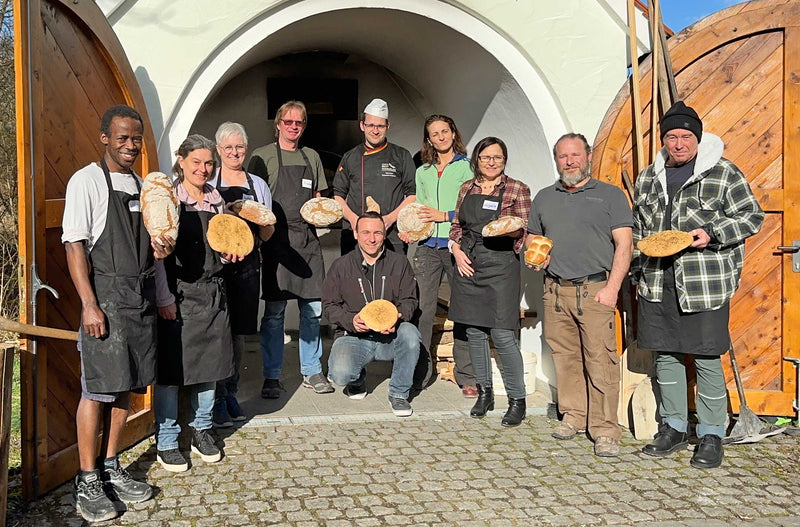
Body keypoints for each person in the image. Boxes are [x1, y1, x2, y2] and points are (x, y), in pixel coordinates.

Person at [634, 102, 763, 469]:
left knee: (706, 356)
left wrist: (713, 233)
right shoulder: (648, 178)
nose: (678, 144)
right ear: (664, 141)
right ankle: (673, 426)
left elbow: (752, 216)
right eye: (671, 137)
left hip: (704, 283)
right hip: (658, 280)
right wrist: (638, 256)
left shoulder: (722, 173)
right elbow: (639, 226)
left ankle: (710, 434)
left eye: (686, 136)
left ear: (698, 138)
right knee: (667, 355)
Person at [62, 105, 172, 522]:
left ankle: (111, 466)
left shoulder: (144, 185)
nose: (130, 146)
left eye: (136, 139)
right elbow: (74, 245)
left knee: (125, 386)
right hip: (105, 296)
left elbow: (155, 248)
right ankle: (87, 478)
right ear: (105, 137)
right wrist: (89, 304)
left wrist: (161, 251)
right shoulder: (86, 181)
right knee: (97, 389)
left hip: (140, 298)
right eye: (122, 138)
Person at [527, 133, 633, 457]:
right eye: (563, 156)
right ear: (556, 159)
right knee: (565, 358)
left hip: (596, 290)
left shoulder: (610, 196)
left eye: (575, 155)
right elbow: (534, 237)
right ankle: (574, 415)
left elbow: (625, 245)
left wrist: (613, 289)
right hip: (555, 291)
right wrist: (536, 255)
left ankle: (605, 429)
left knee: (600, 360)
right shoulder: (544, 197)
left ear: (588, 156)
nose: (569, 161)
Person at [153, 135, 238, 472]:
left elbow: (220, 246)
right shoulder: (170, 199)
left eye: (208, 163)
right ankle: (168, 439)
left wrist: (229, 255)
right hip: (179, 293)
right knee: (172, 372)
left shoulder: (217, 200)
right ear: (181, 162)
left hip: (213, 291)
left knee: (211, 367)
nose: (203, 169)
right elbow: (158, 257)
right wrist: (164, 297)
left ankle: (202, 430)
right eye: (197, 162)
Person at [248, 101, 334, 398]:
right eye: (288, 122)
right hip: (275, 243)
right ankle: (271, 376)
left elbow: (318, 200)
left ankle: (311, 371)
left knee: (312, 311)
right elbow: (253, 205)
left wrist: (324, 221)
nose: (293, 127)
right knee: (274, 313)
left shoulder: (311, 157)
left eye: (299, 123)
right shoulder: (262, 156)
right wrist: (257, 242)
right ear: (278, 123)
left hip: (308, 243)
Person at [448, 137, 531, 427]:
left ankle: (517, 399)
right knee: (473, 331)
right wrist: (456, 250)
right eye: (486, 157)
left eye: (497, 157)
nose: (492, 162)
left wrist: (505, 230)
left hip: (500, 267)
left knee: (503, 333)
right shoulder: (466, 188)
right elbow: (457, 225)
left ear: (504, 160)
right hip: (469, 265)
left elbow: (522, 230)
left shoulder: (517, 189)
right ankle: (485, 393)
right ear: (477, 160)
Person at [400, 114, 477, 398]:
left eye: (445, 131)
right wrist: (410, 230)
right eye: (435, 133)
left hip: (457, 245)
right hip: (427, 249)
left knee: (463, 310)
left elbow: (475, 209)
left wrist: (444, 215)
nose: (441, 137)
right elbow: (419, 209)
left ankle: (466, 374)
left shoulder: (467, 168)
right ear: (429, 139)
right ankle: (421, 371)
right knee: (422, 310)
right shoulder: (424, 171)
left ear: (453, 133)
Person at [207, 122, 273, 426]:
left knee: (237, 334)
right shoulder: (208, 181)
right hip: (216, 267)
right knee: (217, 332)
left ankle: (230, 392)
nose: (234, 152)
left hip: (247, 267)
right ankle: (215, 398)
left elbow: (268, 233)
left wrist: (254, 216)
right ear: (219, 150)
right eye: (228, 147)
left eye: (240, 147)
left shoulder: (257, 185)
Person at [323, 212, 422, 417]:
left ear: (385, 235)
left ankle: (399, 394)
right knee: (339, 374)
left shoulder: (399, 263)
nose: (372, 238)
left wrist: (398, 316)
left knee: (411, 335)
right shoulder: (340, 266)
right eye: (366, 232)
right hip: (355, 335)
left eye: (377, 232)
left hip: (390, 335)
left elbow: (410, 300)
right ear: (356, 234)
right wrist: (350, 320)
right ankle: (357, 380)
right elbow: (329, 306)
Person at [334, 98, 416, 254]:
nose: (375, 130)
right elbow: (338, 195)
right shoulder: (350, 157)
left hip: (391, 235)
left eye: (380, 126)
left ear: (387, 126)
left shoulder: (402, 156)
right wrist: (354, 221)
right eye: (370, 125)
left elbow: (412, 195)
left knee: (392, 277)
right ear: (362, 126)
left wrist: (390, 219)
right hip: (355, 235)